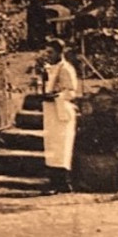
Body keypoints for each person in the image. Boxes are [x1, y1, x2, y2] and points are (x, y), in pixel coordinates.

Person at [39, 38, 79, 186]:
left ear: (60, 52)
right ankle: (54, 181)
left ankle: (62, 183)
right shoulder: (50, 68)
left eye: (51, 52)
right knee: (51, 146)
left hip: (62, 112)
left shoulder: (66, 68)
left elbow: (72, 92)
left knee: (61, 147)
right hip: (51, 112)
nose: (48, 55)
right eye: (47, 52)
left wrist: (56, 96)